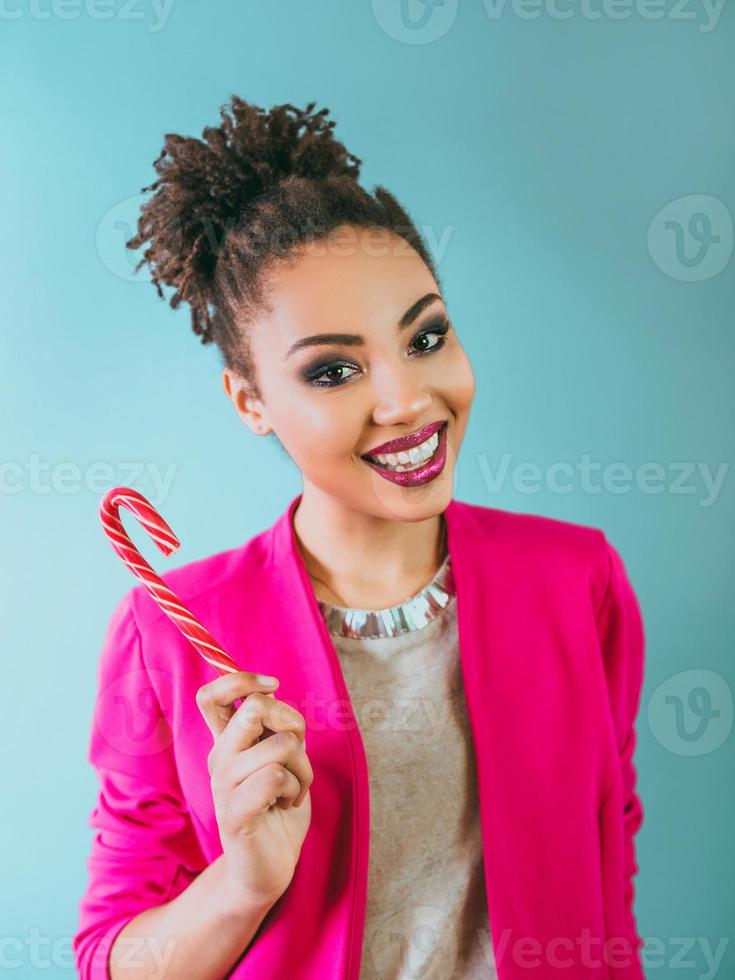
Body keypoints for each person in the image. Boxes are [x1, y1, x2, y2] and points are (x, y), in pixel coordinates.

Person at [73, 95, 646, 980]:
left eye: (426, 337)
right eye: (333, 370)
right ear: (251, 401)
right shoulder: (169, 635)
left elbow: (609, 867)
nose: (407, 401)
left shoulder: (578, 583)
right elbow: (108, 960)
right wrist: (243, 884)